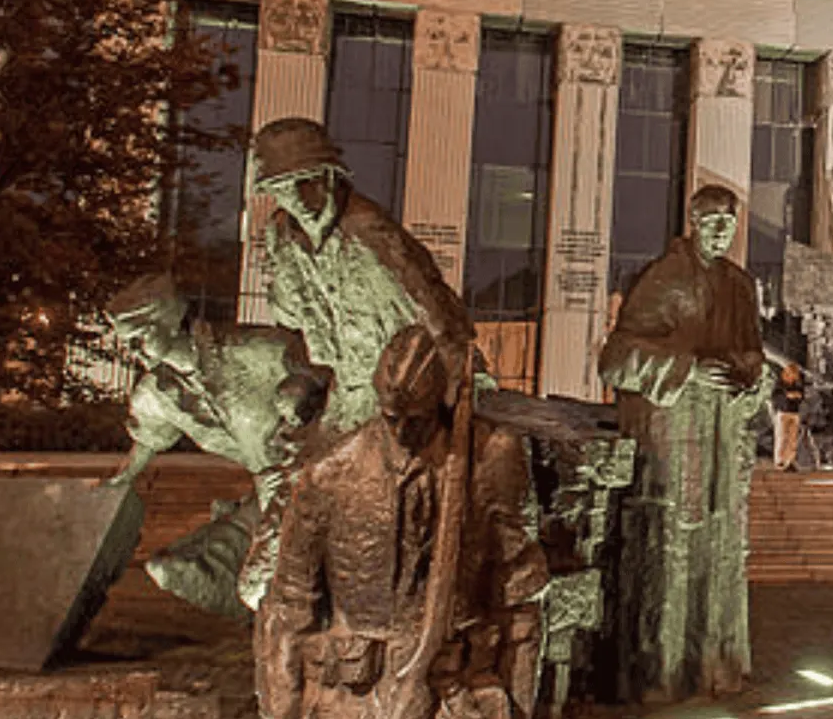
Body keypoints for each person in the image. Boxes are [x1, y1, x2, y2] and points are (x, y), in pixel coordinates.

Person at [256, 324, 547, 719]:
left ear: (438, 404)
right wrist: (282, 709)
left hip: (454, 693)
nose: (403, 431)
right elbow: (290, 605)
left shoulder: (489, 459)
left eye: (417, 418)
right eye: (392, 418)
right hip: (354, 696)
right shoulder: (331, 475)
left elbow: (519, 595)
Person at [598, 184, 770, 703]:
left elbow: (753, 353)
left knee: (722, 548)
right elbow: (615, 358)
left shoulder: (740, 285)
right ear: (693, 221)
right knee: (671, 547)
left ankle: (718, 664)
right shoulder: (666, 277)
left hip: (722, 435)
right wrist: (689, 370)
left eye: (730, 221)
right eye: (712, 220)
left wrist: (748, 375)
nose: (722, 230)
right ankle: (665, 671)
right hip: (675, 435)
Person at [102, 272, 326, 616]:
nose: (132, 351)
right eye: (126, 342)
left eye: (139, 338)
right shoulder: (156, 394)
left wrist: (301, 387)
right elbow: (148, 439)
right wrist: (124, 477)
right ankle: (263, 628)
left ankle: (291, 635)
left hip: (314, 483)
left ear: (170, 321)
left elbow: (321, 370)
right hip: (265, 495)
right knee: (171, 570)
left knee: (268, 586)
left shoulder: (257, 349)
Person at [251, 118, 479, 436]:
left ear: (330, 176)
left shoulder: (366, 228)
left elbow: (426, 297)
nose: (298, 198)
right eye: (282, 188)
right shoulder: (282, 237)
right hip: (344, 381)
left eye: (307, 181)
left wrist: (459, 371)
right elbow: (291, 318)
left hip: (398, 386)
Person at [774, 360, 806, 472]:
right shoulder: (780, 384)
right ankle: (780, 460)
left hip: (794, 412)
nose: (793, 377)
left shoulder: (798, 384)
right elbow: (776, 397)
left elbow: (802, 396)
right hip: (783, 412)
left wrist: (798, 396)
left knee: (792, 438)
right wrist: (787, 396)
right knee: (782, 437)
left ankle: (790, 460)